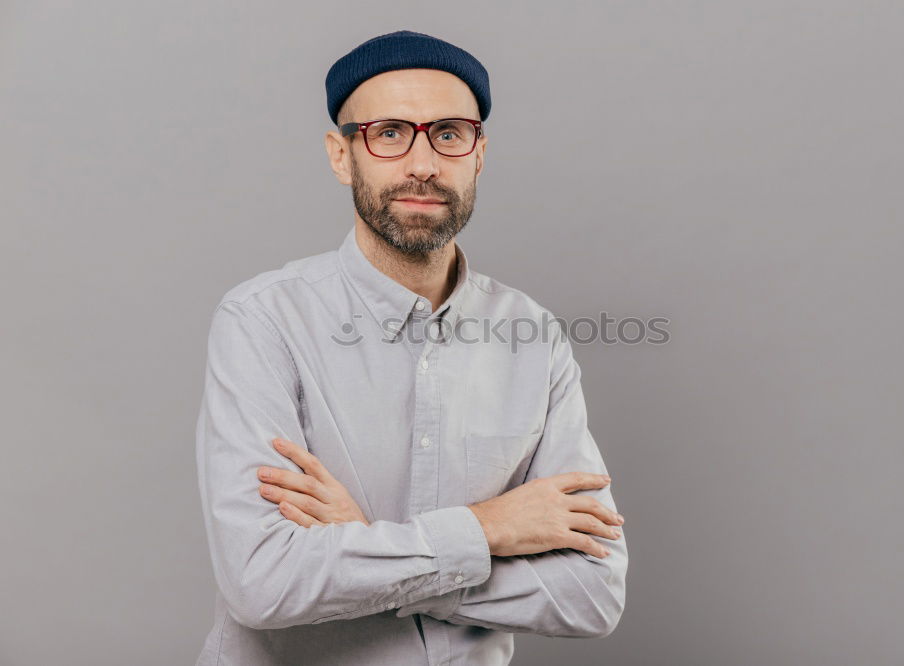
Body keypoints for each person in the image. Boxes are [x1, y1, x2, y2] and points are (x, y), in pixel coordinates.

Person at [194, 29, 627, 665]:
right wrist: (491, 528)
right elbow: (262, 583)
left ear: (478, 153)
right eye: (389, 133)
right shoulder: (263, 320)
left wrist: (366, 545)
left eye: (448, 133)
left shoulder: (533, 337)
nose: (422, 163)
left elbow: (592, 593)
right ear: (342, 156)